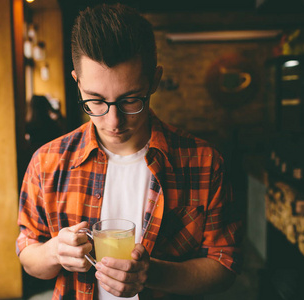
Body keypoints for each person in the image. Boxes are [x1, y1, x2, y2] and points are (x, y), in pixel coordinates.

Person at [16, 3, 242, 300]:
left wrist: (154, 274)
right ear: (78, 83)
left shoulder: (205, 162)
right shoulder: (47, 162)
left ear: (155, 81)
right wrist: (54, 252)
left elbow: (224, 266)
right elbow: (28, 254)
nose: (113, 121)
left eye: (130, 100)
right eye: (95, 101)